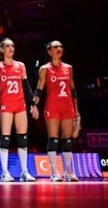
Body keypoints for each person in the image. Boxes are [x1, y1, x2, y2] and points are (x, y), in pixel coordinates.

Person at [0, 38, 38, 182]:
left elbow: (27, 87)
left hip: (20, 104)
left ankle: (24, 172)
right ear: (2, 49)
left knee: (23, 138)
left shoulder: (21, 66)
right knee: (6, 138)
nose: (11, 48)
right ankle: (5, 172)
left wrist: (33, 104)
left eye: (13, 46)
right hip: (6, 105)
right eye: (7, 46)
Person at [34, 40, 80, 181]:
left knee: (67, 140)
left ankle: (68, 172)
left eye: (61, 46)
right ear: (49, 51)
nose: (59, 48)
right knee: (53, 139)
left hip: (67, 106)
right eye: (55, 47)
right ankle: (54, 173)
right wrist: (34, 105)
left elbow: (73, 90)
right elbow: (39, 89)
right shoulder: (44, 69)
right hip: (52, 107)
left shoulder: (68, 68)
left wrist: (77, 111)